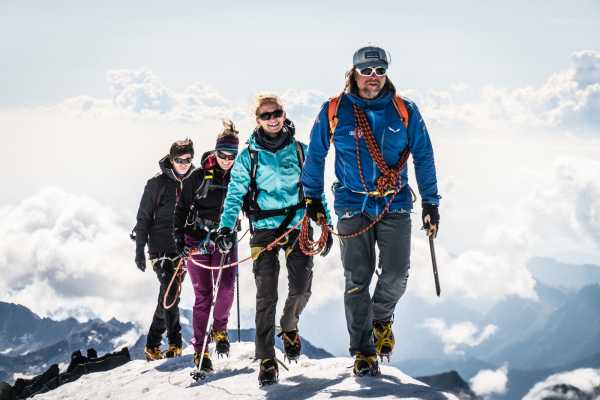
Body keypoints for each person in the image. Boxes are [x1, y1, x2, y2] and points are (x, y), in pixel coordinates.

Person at [302, 46, 441, 376]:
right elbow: (316, 155)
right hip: (352, 204)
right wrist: (312, 198)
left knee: (396, 273)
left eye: (379, 71)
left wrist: (431, 202)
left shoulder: (404, 110)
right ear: (354, 72)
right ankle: (363, 352)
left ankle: (380, 319)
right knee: (356, 279)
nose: (373, 77)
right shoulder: (334, 110)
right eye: (366, 71)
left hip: (395, 202)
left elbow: (423, 155)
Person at [214, 94, 332, 386]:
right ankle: (266, 359)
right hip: (263, 229)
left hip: (297, 226)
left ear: (283, 114)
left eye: (276, 113)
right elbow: (234, 195)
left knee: (302, 288)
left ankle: (289, 326)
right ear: (257, 120)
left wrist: (325, 222)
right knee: (266, 295)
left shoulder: (301, 151)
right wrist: (225, 228)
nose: (272, 119)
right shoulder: (248, 157)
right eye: (266, 115)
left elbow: (315, 191)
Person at [172, 120, 240, 373]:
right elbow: (181, 209)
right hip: (196, 239)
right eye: (223, 154)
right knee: (204, 295)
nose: (227, 160)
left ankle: (220, 329)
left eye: (232, 156)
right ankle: (200, 350)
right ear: (215, 151)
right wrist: (178, 238)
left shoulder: (240, 177)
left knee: (226, 287)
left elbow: (250, 203)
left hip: (225, 240)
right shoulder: (198, 177)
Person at [134, 139, 195, 361]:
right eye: (179, 160)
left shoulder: (196, 182)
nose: (183, 164)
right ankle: (175, 344)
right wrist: (140, 250)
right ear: (171, 159)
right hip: (160, 249)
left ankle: (152, 346)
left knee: (167, 295)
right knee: (171, 292)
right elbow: (143, 218)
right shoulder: (156, 184)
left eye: (187, 160)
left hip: (184, 249)